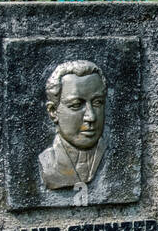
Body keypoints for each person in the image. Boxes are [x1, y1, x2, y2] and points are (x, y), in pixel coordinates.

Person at [39, 60, 107, 190]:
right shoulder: (48, 162)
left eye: (97, 103)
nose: (91, 117)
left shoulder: (114, 156)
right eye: (76, 105)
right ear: (53, 111)